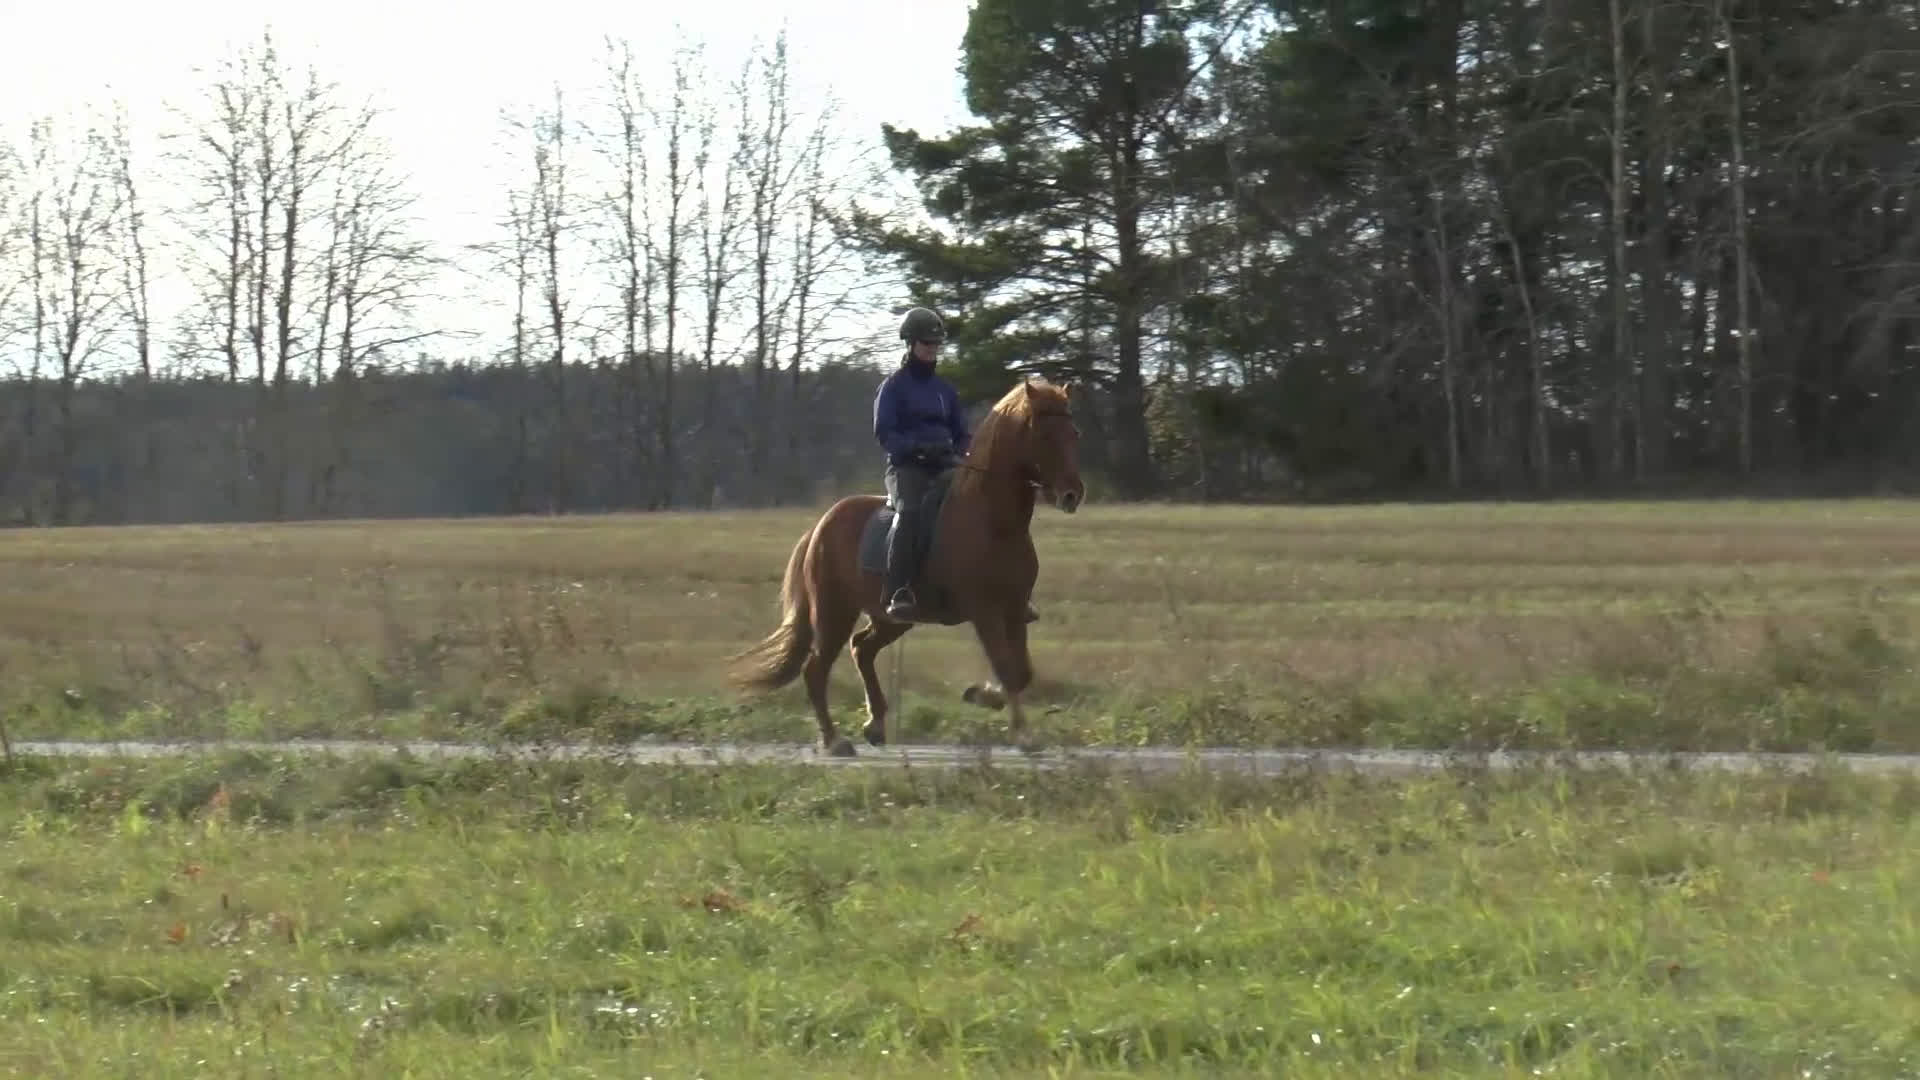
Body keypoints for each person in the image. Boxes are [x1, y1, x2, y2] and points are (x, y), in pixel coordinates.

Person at [871, 307, 1041, 624]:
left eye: (936, 344)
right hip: (907, 469)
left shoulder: (944, 390)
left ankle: (1010, 590)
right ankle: (899, 590)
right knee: (910, 513)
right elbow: (885, 433)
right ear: (910, 343)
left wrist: (968, 452)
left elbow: (961, 433)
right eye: (926, 344)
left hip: (945, 466)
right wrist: (916, 449)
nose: (931, 350)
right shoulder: (893, 387)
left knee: (984, 505)